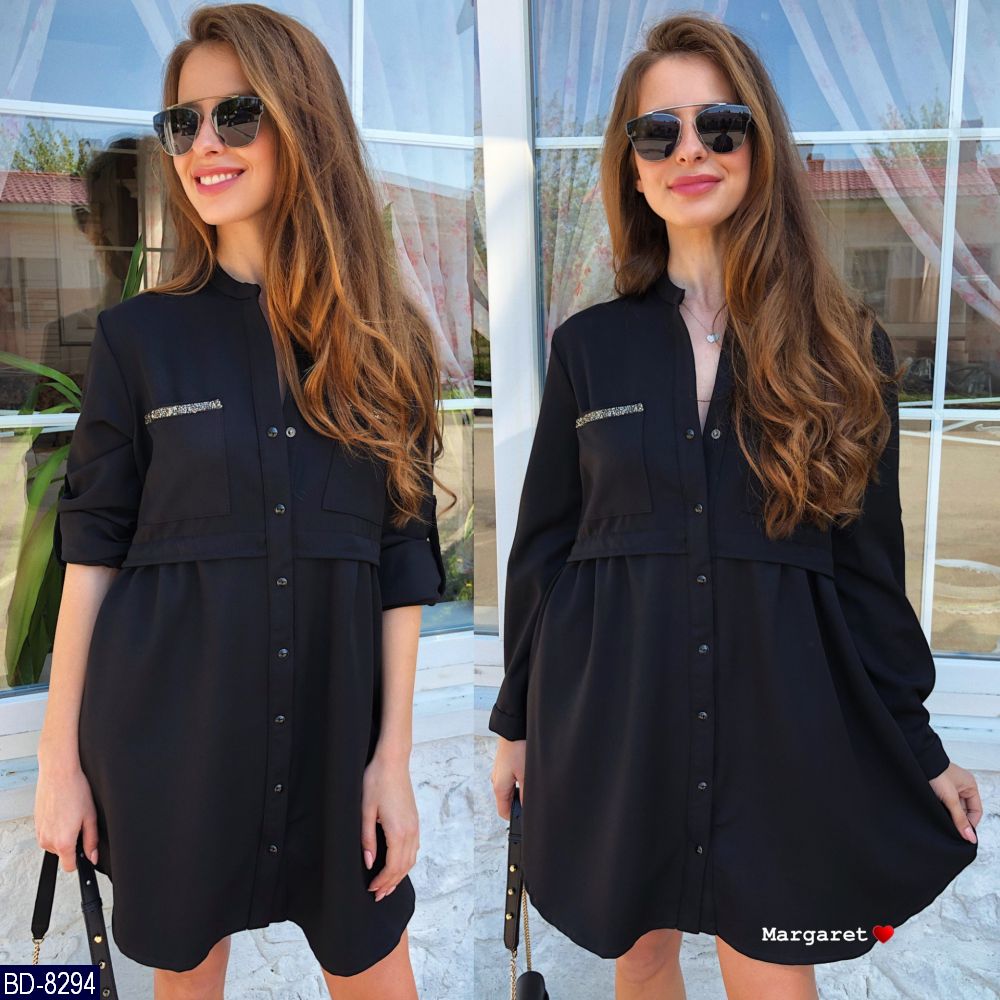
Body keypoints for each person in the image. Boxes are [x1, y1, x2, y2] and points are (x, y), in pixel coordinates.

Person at [488, 13, 982, 1000]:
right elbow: (544, 552)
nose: (689, 151)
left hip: (780, 724)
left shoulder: (846, 349)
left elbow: (868, 575)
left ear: (759, 146)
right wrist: (515, 725)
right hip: (616, 713)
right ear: (631, 167)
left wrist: (918, 745)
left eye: (719, 125)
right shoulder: (588, 348)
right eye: (656, 132)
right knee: (642, 953)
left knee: (771, 964)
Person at [33, 4, 449, 998]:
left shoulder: (384, 340)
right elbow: (92, 553)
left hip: (337, 746)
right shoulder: (139, 340)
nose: (203, 145)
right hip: (171, 743)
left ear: (302, 121)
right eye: (183, 123)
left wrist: (391, 760)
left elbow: (403, 558)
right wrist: (59, 762)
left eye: (236, 114)